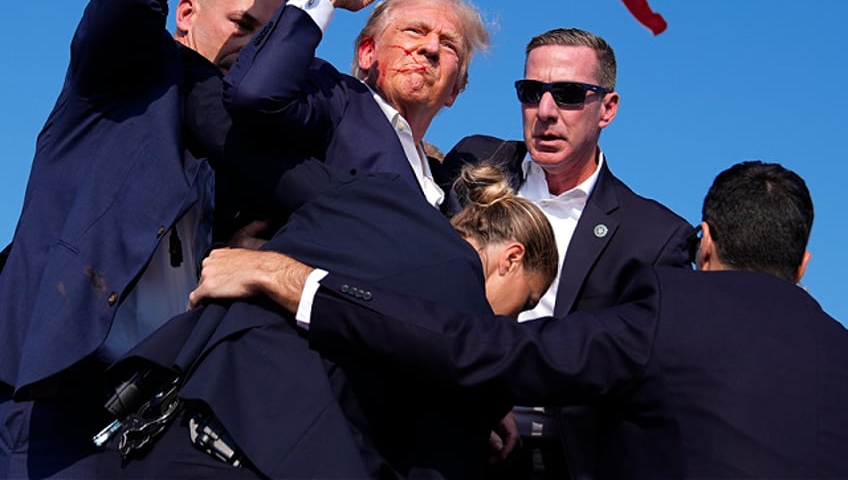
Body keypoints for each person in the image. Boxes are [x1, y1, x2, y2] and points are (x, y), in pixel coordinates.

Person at [0, 0, 376, 479]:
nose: (251, 49)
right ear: (186, 15)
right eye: (241, 25)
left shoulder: (243, 143)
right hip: (50, 401)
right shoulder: (118, 77)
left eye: (265, 38)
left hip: (154, 413)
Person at [208, 161, 848, 479]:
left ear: (703, 243)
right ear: (804, 264)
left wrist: (296, 280)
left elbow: (482, 349)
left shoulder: (672, 310)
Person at [97, 161, 557, 478]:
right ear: (512, 258)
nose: (511, 321)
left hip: (170, 426)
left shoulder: (377, 197)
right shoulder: (472, 328)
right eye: (524, 302)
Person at [442, 27, 694, 476]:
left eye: (569, 94)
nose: (545, 111)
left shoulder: (654, 237)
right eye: (532, 92)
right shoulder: (471, 162)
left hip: (558, 460)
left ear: (608, 109)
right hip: (441, 428)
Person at [223, 0, 490, 214]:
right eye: (414, 31)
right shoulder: (334, 99)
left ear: (454, 90)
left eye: (449, 45)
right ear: (367, 53)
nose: (431, 48)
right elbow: (256, 94)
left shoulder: (446, 190)